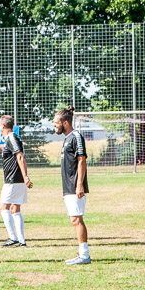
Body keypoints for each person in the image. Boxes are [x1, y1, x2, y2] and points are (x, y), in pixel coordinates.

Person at [0, 115, 33, 247]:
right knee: (15, 208)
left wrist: (25, 176)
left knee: (3, 207)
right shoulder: (10, 139)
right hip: (16, 179)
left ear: (3, 126)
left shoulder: (12, 138)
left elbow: (20, 156)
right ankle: (21, 240)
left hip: (13, 179)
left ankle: (13, 237)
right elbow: (4, 149)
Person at [53, 106, 91, 265]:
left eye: (56, 123)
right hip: (68, 187)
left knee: (77, 219)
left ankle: (84, 255)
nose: (54, 125)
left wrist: (79, 184)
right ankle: (82, 254)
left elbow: (82, 160)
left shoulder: (76, 136)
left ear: (65, 123)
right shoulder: (67, 138)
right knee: (74, 219)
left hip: (75, 186)